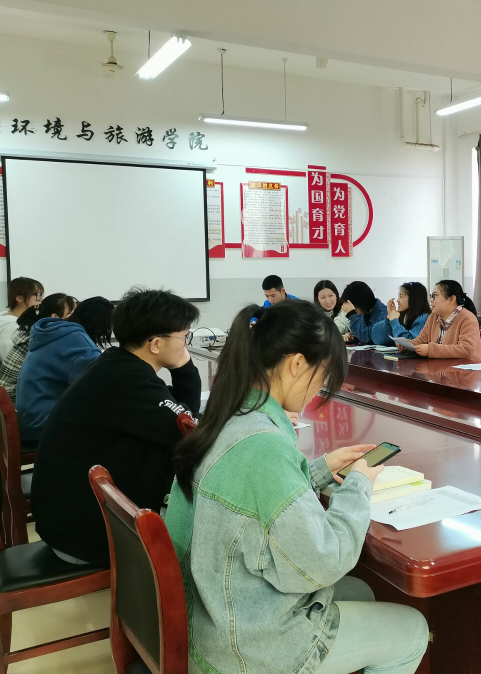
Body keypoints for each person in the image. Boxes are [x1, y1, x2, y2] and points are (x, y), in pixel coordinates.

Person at [165, 300, 429, 674]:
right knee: (413, 630)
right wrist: (358, 484)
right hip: (244, 647)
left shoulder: (229, 418)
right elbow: (326, 560)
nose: (318, 391)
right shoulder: (265, 446)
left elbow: (255, 504)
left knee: (362, 592)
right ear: (297, 364)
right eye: (322, 377)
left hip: (211, 616)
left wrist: (318, 471)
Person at [31, 288, 201, 566]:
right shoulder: (129, 380)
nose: (186, 345)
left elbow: (177, 414)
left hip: (67, 523)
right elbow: (187, 431)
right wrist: (184, 369)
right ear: (156, 344)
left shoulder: (116, 365)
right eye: (184, 337)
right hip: (87, 538)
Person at [16, 296, 114, 443]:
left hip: (30, 419)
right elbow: (103, 385)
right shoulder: (78, 342)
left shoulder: (56, 332)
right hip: (43, 426)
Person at [0, 293, 76, 405]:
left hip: (15, 401)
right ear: (55, 317)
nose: (76, 318)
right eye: (72, 314)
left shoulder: (37, 332)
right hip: (16, 404)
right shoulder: (41, 340)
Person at [409, 280, 481, 362]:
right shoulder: (433, 317)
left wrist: (431, 350)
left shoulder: (468, 318)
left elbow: (466, 350)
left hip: (466, 368)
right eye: (431, 296)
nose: (431, 300)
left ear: (451, 299)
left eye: (435, 295)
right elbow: (421, 340)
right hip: (441, 366)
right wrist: (407, 345)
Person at [0, 277, 44, 362]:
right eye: (37, 295)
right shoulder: (10, 325)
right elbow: (11, 359)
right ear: (19, 298)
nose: (41, 299)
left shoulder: (16, 319)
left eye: (41, 295)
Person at [341, 281, 388, 345]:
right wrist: (353, 335)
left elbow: (368, 338)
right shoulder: (364, 311)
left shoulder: (383, 313)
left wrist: (352, 314)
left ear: (359, 302)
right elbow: (362, 332)